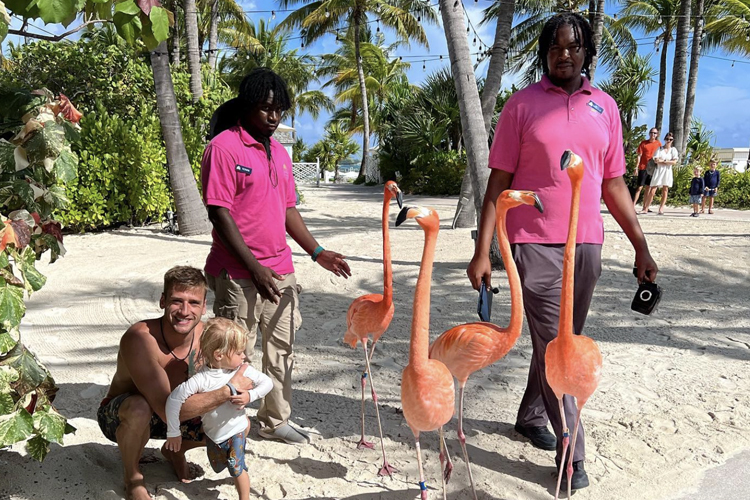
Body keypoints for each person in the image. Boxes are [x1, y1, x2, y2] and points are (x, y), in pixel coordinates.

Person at [466, 13, 658, 492]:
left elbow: (613, 183)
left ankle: (531, 414)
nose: (564, 54)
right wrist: (482, 249)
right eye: (554, 48)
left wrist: (641, 247)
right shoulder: (521, 106)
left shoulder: (605, 107)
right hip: (533, 243)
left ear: (586, 51)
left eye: (573, 47)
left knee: (560, 339)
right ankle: (572, 455)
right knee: (558, 347)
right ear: (543, 54)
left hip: (587, 243)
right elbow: (499, 182)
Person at [201, 67, 352, 445]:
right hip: (238, 273)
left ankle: (276, 419)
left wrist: (317, 252)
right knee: (234, 351)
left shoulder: (280, 153)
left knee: (282, 349)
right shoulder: (223, 148)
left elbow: (287, 210)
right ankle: (225, 424)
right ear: (246, 106)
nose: (273, 117)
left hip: (281, 271)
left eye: (280, 110)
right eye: (266, 108)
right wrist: (254, 269)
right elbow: (218, 212)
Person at [98, 266, 257, 500]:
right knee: (140, 407)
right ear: (163, 301)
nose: (185, 311)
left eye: (193, 302)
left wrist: (243, 392)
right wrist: (228, 391)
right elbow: (164, 409)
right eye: (176, 301)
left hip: (180, 414)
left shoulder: (210, 336)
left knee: (240, 422)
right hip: (125, 414)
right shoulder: (141, 338)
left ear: (204, 306)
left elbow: (244, 372)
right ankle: (133, 479)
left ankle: (175, 452)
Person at [165, 317, 273, 500]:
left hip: (236, 430)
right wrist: (173, 431)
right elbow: (174, 400)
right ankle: (175, 452)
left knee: (236, 466)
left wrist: (250, 396)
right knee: (219, 464)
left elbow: (267, 382)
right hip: (213, 433)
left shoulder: (242, 370)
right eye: (239, 352)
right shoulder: (202, 379)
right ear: (219, 355)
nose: (244, 356)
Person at [641, 132, 679, 215]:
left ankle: (661, 208)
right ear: (665, 139)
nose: (668, 141)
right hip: (659, 170)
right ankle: (646, 208)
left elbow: (675, 161)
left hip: (667, 171)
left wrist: (664, 161)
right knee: (653, 189)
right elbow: (656, 160)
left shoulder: (673, 150)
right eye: (667, 139)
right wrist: (667, 161)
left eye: (670, 139)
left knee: (665, 190)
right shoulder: (660, 149)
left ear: (672, 140)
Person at [633, 128, 661, 210]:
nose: (653, 134)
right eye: (652, 133)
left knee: (648, 188)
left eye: (655, 133)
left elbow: (659, 156)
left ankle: (645, 207)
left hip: (652, 168)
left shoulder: (658, 144)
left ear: (657, 135)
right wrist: (636, 167)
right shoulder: (643, 143)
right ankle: (632, 206)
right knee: (639, 187)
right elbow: (639, 155)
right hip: (643, 167)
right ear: (649, 133)